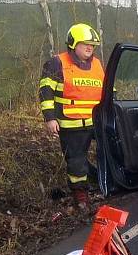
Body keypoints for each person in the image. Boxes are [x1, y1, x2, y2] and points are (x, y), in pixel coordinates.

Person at [39, 23, 104, 209]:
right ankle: (81, 196)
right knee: (76, 161)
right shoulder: (56, 63)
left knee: (109, 151)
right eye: (86, 44)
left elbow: (107, 90)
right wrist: (50, 118)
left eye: (92, 45)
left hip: (96, 123)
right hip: (71, 124)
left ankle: (106, 182)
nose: (90, 48)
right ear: (73, 44)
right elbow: (45, 91)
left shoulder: (97, 64)